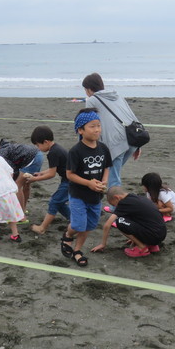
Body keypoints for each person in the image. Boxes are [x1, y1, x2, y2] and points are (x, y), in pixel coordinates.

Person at [60, 108, 112, 267]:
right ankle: (67, 235)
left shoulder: (103, 148)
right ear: (80, 130)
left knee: (89, 225)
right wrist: (89, 183)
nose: (97, 129)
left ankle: (77, 250)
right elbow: (70, 174)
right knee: (77, 224)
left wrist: (103, 182)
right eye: (92, 126)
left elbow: (107, 167)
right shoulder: (76, 151)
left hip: (96, 196)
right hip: (78, 195)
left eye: (98, 125)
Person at [83, 72, 142, 188]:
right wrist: (138, 145)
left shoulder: (92, 100)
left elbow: (89, 123)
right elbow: (132, 117)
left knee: (113, 178)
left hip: (116, 142)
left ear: (89, 89)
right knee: (111, 173)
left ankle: (115, 205)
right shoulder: (117, 95)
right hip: (132, 138)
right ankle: (113, 201)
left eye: (85, 89)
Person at [92, 186, 167, 258]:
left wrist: (103, 244)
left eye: (114, 204)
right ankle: (152, 245)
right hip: (161, 233)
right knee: (129, 217)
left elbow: (107, 225)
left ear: (117, 198)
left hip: (154, 236)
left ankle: (142, 248)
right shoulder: (135, 197)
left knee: (120, 221)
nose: (116, 207)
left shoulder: (123, 203)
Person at [27, 126, 70, 235]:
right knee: (59, 202)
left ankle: (42, 228)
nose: (38, 148)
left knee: (54, 201)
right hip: (70, 180)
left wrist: (35, 179)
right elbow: (52, 169)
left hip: (70, 182)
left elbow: (51, 174)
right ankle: (73, 219)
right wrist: (41, 173)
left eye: (38, 145)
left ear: (45, 142)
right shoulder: (57, 148)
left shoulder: (53, 153)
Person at [0, 139, 43, 218]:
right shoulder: (6, 146)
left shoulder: (0, 154)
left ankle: (21, 216)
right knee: (26, 185)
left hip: (31, 159)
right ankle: (23, 209)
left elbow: (12, 169)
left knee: (17, 186)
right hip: (38, 154)